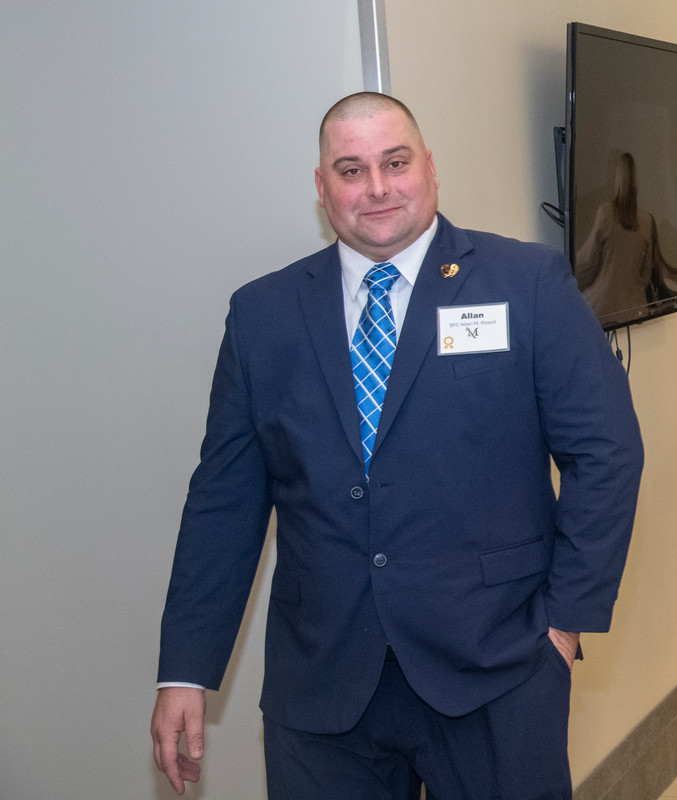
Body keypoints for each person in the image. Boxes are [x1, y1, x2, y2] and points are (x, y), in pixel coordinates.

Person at [150, 92, 644, 799]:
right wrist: (185, 669)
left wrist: (564, 624)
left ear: (430, 168)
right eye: (351, 170)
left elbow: (608, 452)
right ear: (322, 188)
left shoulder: (525, 283)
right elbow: (223, 502)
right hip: (323, 685)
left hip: (496, 667)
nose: (377, 187)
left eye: (396, 162)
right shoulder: (263, 316)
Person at [574, 152, 677, 321]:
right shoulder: (647, 220)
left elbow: (588, 263)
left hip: (604, 307)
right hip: (636, 308)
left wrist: (567, 269)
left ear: (616, 178)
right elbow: (646, 273)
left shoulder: (605, 213)